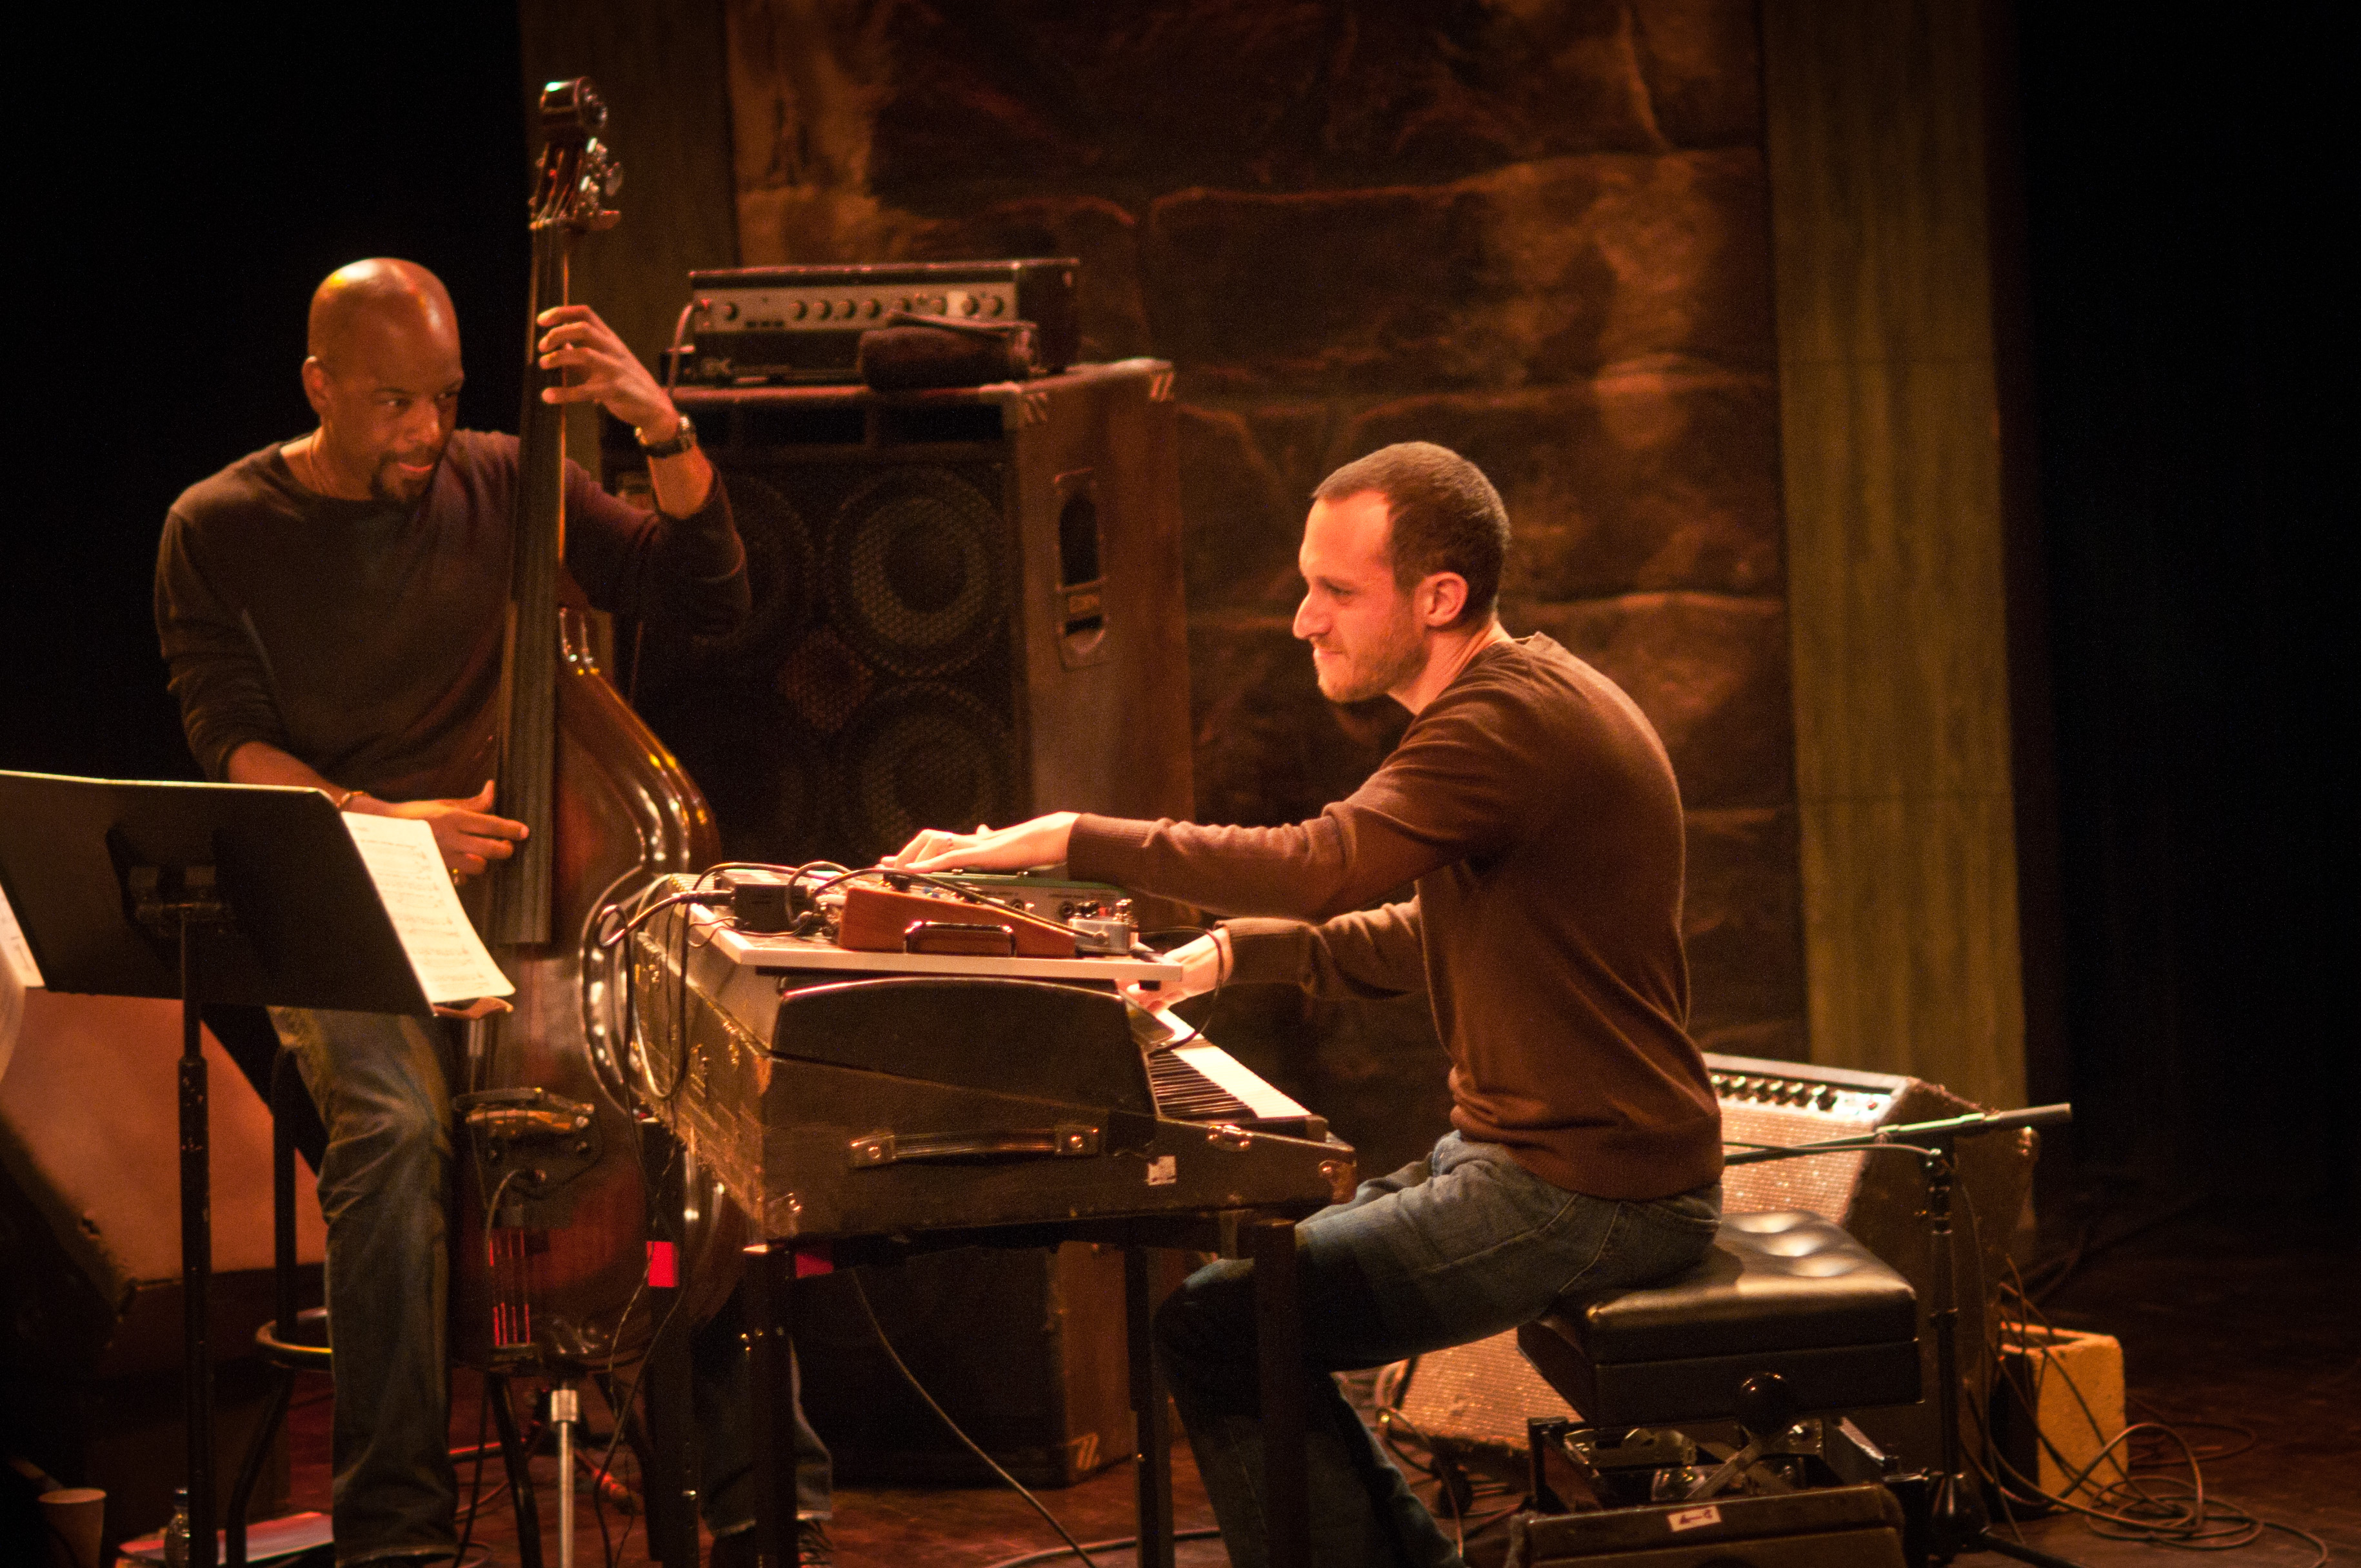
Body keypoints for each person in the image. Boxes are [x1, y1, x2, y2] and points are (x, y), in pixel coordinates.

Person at [895, 442, 1725, 1567]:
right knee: (1253, 1312)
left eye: (1337, 592)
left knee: (1224, 1326)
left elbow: (1321, 861)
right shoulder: (1516, 701)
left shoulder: (1502, 724)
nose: (1303, 621)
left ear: (1440, 598)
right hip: (1537, 1165)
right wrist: (1227, 960)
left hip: (1590, 1196)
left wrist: (1070, 838)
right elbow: (1426, 931)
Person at [154, 259, 832, 1566]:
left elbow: (706, 591)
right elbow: (227, 737)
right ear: (320, 387)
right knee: (400, 1125)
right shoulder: (217, 526)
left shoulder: (506, 477)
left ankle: (762, 1492)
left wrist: (660, 424)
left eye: (445, 400)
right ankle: (396, 1532)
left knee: (703, 1109)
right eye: (394, 404)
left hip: (533, 902)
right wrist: (384, 818)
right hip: (351, 892)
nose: (425, 432)